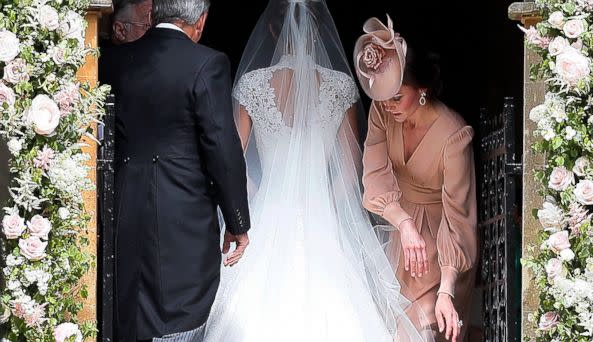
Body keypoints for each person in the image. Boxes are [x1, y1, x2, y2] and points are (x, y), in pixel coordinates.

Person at [204, 1, 429, 341]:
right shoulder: (339, 87)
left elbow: (232, 161)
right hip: (323, 218)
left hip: (267, 214)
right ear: (319, 31)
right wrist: (329, 203)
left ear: (271, 30)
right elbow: (351, 165)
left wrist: (257, 196)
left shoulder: (253, 84)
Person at [107, 0, 251, 341]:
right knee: (182, 316)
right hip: (182, 216)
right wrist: (237, 222)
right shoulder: (207, 63)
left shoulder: (113, 61)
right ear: (199, 22)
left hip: (124, 209)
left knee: (131, 311)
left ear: (155, 13)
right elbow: (222, 148)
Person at [354, 16, 478, 342]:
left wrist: (447, 290)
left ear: (422, 90)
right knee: (388, 326)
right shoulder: (382, 111)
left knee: (421, 326)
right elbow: (375, 175)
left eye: (398, 97)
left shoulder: (455, 135)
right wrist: (404, 223)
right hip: (402, 237)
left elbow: (459, 219)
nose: (388, 105)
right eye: (384, 96)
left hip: (442, 247)